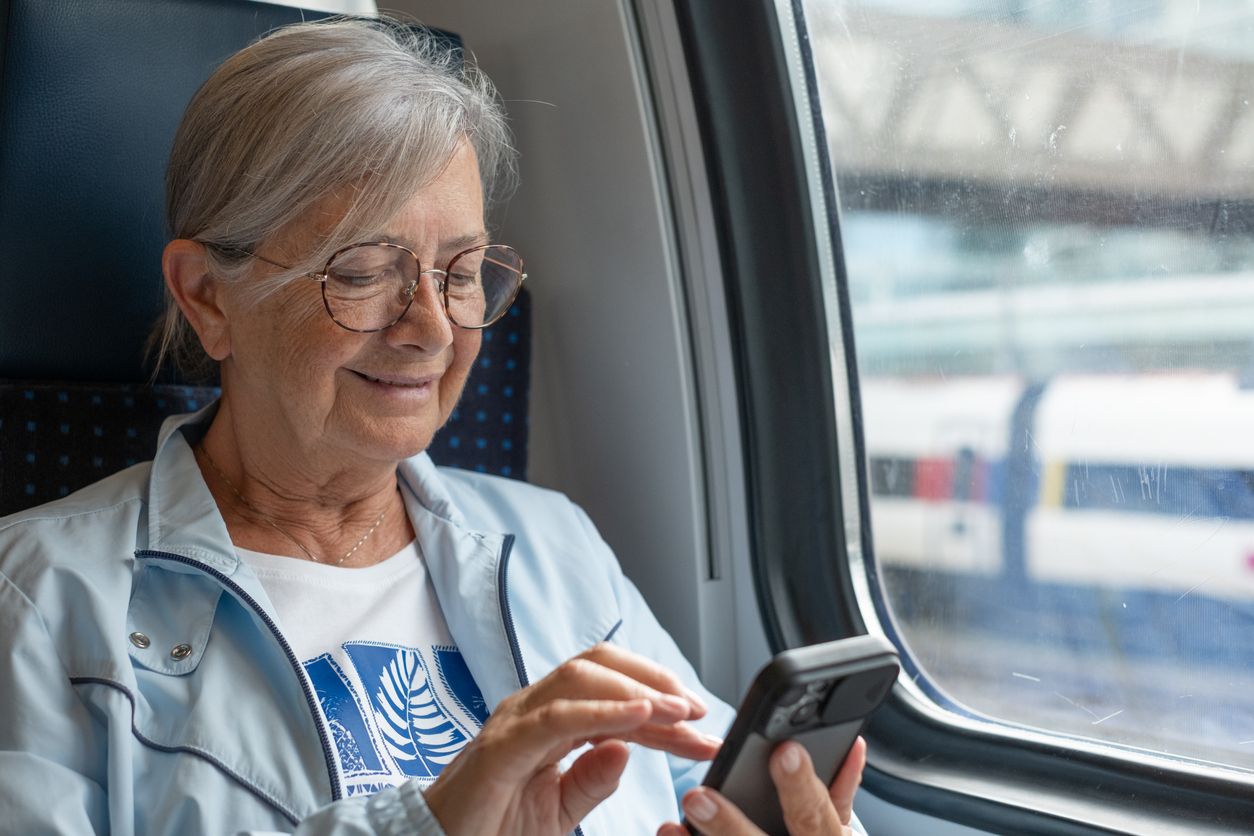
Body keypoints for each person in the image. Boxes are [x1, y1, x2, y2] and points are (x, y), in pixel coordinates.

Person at [0, 17, 868, 835]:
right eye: (367, 269)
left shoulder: (554, 549)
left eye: (460, 272)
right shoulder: (40, 601)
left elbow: (706, 784)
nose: (434, 328)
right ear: (207, 297)